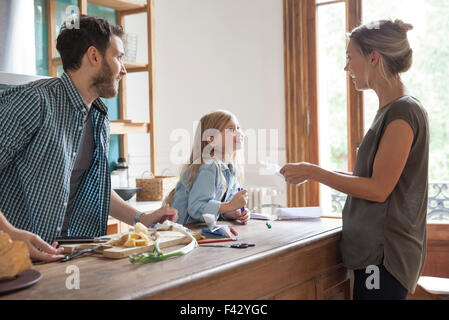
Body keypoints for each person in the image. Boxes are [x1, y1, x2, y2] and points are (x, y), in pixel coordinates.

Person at [0, 15, 177, 262]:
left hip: (71, 254)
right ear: (94, 56)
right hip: (17, 259)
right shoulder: (34, 102)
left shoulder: (99, 116)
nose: (123, 69)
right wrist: (10, 234)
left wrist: (140, 218)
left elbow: (95, 187)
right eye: (118, 57)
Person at [281, 19, 429, 300]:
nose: (346, 66)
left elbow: (378, 189)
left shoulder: (403, 112)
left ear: (373, 58)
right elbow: (371, 181)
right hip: (375, 256)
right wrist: (312, 171)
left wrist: (314, 172)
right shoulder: (389, 110)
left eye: (350, 57)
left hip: (385, 258)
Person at [163, 110, 250, 225]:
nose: (239, 133)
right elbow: (196, 208)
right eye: (230, 130)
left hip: (197, 230)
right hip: (181, 232)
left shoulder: (230, 170)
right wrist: (230, 205)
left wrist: (235, 212)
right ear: (212, 139)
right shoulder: (209, 166)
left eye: (238, 128)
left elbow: (221, 208)